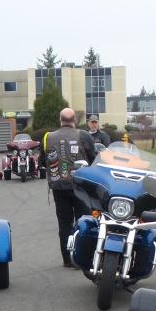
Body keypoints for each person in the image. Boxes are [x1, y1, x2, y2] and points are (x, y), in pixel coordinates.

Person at [44, 108, 96, 267]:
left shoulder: (48, 137)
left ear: (60, 120)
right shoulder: (84, 135)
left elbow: (42, 161)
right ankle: (83, 258)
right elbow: (94, 158)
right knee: (84, 222)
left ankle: (67, 259)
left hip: (58, 187)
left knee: (64, 223)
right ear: (75, 120)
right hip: (81, 186)